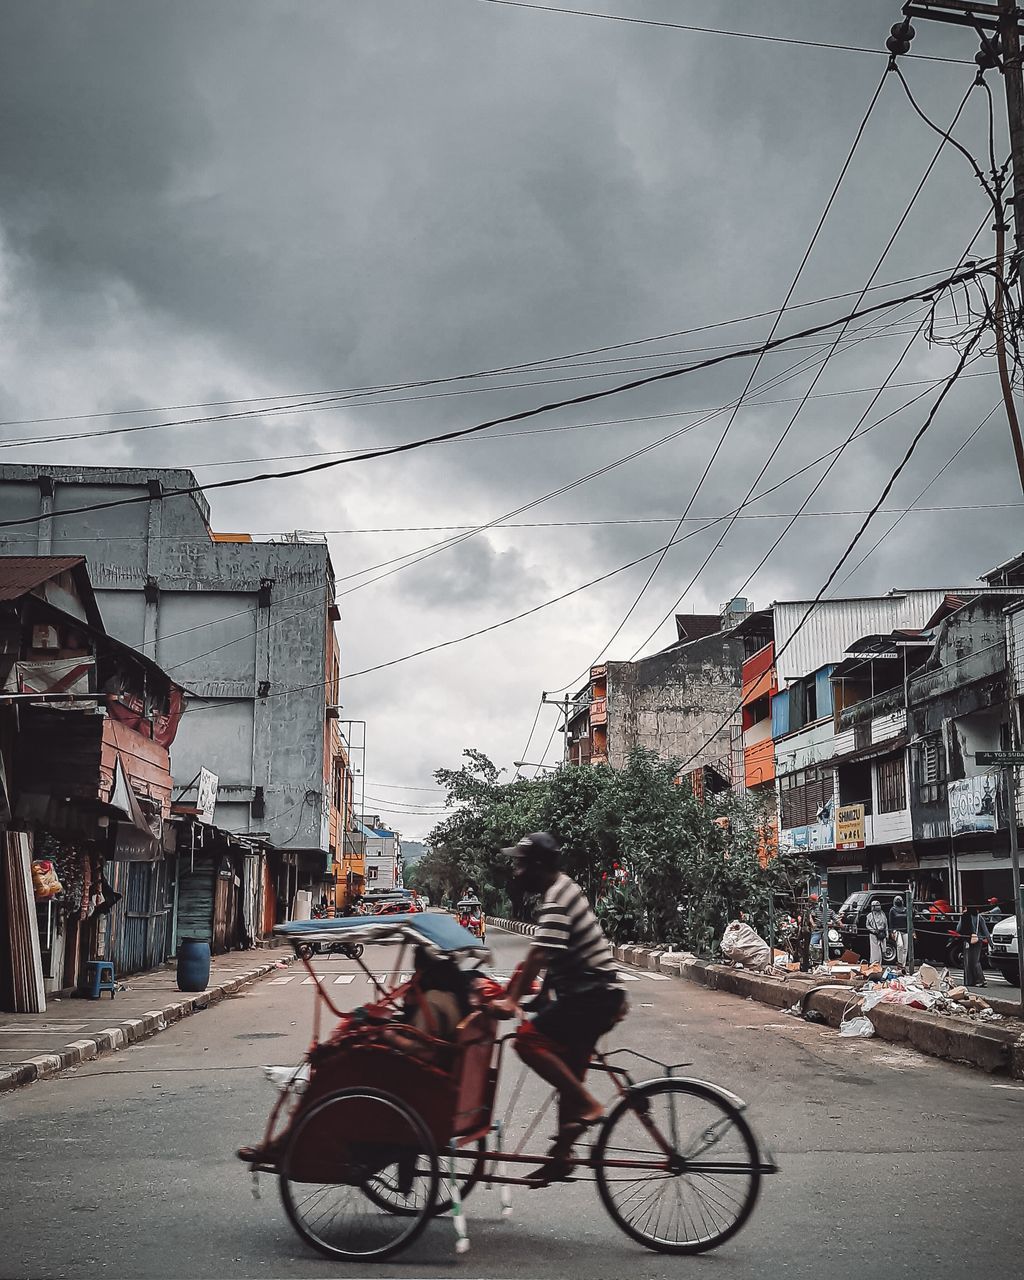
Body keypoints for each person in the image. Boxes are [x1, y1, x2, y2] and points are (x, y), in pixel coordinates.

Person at [493, 832, 626, 1185]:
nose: (517, 871)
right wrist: (536, 997)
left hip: (591, 997)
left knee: (527, 1042)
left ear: (538, 866)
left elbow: (538, 954)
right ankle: (562, 1156)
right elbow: (556, 956)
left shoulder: (556, 897)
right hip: (595, 995)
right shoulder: (564, 889)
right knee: (567, 1075)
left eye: (522, 864)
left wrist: (509, 1000)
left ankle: (588, 1105)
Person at [957, 904, 991, 988]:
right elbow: (985, 930)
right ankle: (980, 980)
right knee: (976, 960)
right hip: (978, 940)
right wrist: (991, 943)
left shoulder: (964, 916)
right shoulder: (979, 917)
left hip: (967, 940)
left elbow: (958, 928)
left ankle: (971, 981)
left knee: (968, 961)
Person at [865, 899, 890, 966]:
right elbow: (867, 925)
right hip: (874, 934)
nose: (878, 906)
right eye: (876, 905)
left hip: (882, 933)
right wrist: (873, 930)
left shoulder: (883, 914)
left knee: (883, 950)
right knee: (875, 951)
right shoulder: (870, 915)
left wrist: (887, 933)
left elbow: (886, 925)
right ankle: (875, 964)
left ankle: (880, 964)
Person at [889, 895, 909, 967]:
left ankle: (903, 965)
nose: (898, 900)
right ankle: (899, 962)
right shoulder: (892, 910)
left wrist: (912, 931)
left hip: (905, 930)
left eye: (899, 899)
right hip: (897, 930)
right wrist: (891, 931)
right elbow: (891, 921)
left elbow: (909, 920)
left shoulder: (906, 909)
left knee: (905, 948)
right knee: (900, 945)